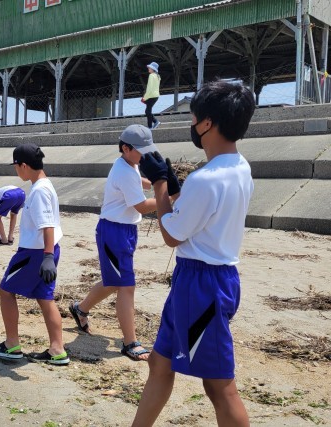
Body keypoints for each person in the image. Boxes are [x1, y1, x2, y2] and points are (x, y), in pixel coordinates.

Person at [132, 80, 255, 427]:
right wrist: (174, 187)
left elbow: (171, 235)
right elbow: (201, 213)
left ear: (207, 124)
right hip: (210, 278)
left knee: (220, 387)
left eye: (193, 117)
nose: (192, 124)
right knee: (160, 362)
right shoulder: (240, 166)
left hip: (202, 286)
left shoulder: (206, 179)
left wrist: (159, 186)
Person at [68, 125, 178, 362]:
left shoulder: (129, 165)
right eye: (141, 151)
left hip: (124, 230)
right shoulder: (124, 172)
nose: (145, 156)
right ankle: (130, 342)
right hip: (114, 233)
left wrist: (159, 180)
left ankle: (80, 309)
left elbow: (139, 181)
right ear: (125, 148)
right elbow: (140, 206)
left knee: (113, 282)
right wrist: (168, 197)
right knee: (126, 286)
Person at [0, 143, 68, 365]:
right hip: (46, 251)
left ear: (24, 165)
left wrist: (48, 257)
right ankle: (57, 349)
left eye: (16, 167)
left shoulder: (40, 191)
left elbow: (47, 225)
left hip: (35, 253)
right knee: (45, 298)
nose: (16, 171)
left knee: (5, 290)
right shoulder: (45, 185)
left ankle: (12, 344)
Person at [141, 62, 161, 130]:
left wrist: (144, 97)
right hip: (156, 96)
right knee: (148, 111)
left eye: (149, 67)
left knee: (148, 111)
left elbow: (149, 88)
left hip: (151, 95)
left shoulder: (151, 76)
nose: (148, 68)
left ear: (153, 69)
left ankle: (151, 126)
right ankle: (153, 123)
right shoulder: (158, 76)